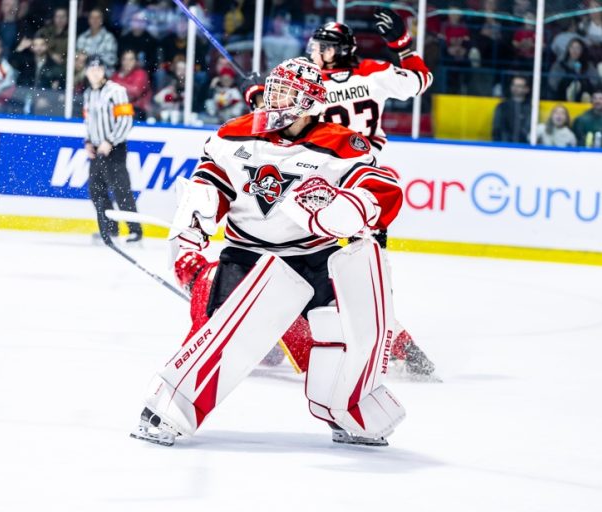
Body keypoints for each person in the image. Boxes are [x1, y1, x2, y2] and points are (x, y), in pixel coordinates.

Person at [132, 57, 406, 447]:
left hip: (314, 258)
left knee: (344, 335)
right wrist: (192, 229)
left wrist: (351, 209)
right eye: (273, 91)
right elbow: (208, 186)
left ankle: (351, 411)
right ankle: (169, 409)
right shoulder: (233, 134)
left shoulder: (342, 143)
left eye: (285, 94)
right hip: (246, 256)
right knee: (218, 337)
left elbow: (381, 186)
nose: (273, 102)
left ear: (309, 102)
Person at [239, 9, 435, 378]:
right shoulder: (374, 72)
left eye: (323, 47)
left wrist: (256, 94)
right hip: (360, 184)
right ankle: (390, 341)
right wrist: (403, 45)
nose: (316, 52)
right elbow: (420, 80)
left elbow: (278, 118)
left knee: (307, 262)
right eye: (316, 45)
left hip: (327, 183)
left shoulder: (310, 84)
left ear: (339, 50)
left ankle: (307, 334)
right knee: (353, 269)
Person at [82, 55, 142, 243]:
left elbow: (126, 120)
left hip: (114, 149)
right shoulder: (88, 94)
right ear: (86, 72)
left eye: (98, 69)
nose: (95, 73)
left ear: (104, 71)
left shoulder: (116, 91)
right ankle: (110, 228)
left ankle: (135, 230)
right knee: (96, 189)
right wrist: (88, 142)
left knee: (121, 189)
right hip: (97, 149)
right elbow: (89, 121)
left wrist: (110, 141)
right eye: (91, 69)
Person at [548, 37, 599, 102]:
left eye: (578, 48)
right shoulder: (560, 64)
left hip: (583, 91)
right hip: (563, 93)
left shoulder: (588, 65)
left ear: (582, 50)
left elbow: (594, 82)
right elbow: (553, 82)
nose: (574, 51)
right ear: (568, 49)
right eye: (572, 48)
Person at [111, 48, 152, 121]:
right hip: (117, 109)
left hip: (137, 111)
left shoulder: (141, 74)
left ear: (136, 62)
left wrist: (118, 84)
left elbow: (135, 92)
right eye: (125, 59)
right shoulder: (115, 75)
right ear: (121, 61)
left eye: (131, 59)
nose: (127, 62)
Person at [492, 75, 531, 143]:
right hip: (504, 146)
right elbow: (497, 129)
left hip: (524, 147)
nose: (515, 88)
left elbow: (528, 130)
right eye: (513, 85)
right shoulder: (502, 106)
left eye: (519, 86)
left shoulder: (530, 109)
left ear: (526, 89)